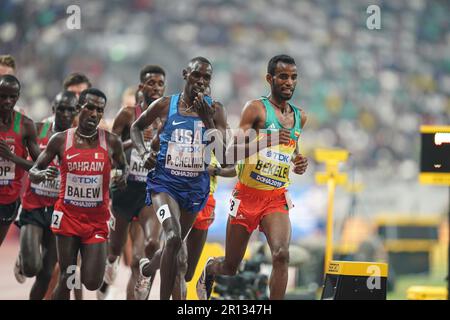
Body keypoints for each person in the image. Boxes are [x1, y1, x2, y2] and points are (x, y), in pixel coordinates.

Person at [196, 54, 308, 300]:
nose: (289, 82)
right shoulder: (255, 109)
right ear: (270, 79)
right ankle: (210, 268)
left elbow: (290, 151)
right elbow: (230, 155)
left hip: (275, 198)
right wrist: (266, 140)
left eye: (293, 77)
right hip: (246, 196)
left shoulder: (300, 117)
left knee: (281, 255)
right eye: (283, 77)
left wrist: (298, 162)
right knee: (230, 267)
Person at [130, 56, 228, 300]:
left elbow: (225, 158)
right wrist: (143, 153)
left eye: (207, 78)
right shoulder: (166, 104)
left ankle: (148, 268)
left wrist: (207, 120)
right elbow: (136, 128)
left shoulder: (215, 110)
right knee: (172, 237)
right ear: (186, 74)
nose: (201, 81)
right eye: (197, 75)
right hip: (164, 184)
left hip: (195, 190)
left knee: (176, 256)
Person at [28, 88, 128, 300]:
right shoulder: (60, 140)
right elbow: (34, 171)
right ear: (77, 109)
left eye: (99, 110)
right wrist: (43, 173)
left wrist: (121, 177)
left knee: (92, 281)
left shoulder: (111, 142)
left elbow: (124, 169)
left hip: (97, 221)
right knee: (67, 276)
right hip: (68, 218)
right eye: (89, 107)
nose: (94, 114)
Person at [97, 65, 166, 300]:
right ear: (141, 87)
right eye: (151, 83)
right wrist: (134, 141)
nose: (156, 88)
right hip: (125, 190)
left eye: (160, 83)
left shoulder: (168, 116)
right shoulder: (128, 114)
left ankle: (139, 289)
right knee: (115, 248)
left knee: (145, 251)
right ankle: (110, 263)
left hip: (150, 192)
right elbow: (109, 148)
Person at [13, 91, 78, 299]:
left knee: (47, 273)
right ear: (53, 109)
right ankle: (25, 256)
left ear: (76, 112)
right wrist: (38, 174)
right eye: (61, 109)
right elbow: (27, 164)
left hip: (61, 211)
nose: (66, 114)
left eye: (70, 110)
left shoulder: (80, 138)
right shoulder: (38, 129)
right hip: (34, 205)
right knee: (32, 267)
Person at [0, 75, 40, 247]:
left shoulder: (25, 125)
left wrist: (12, 157)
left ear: (18, 96)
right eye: (3, 96)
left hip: (9, 199)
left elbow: (40, 167)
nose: (8, 101)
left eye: (12, 96)